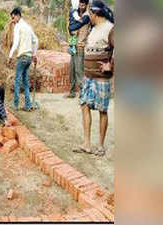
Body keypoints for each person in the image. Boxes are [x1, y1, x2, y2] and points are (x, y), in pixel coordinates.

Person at [75, 0, 114, 157]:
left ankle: (101, 146)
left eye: (89, 13)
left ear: (95, 13)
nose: (87, 16)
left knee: (102, 111)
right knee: (84, 105)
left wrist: (111, 66)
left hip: (101, 79)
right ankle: (87, 144)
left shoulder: (110, 28)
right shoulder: (94, 28)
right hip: (88, 77)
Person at [8, 8, 38, 111]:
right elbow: (36, 40)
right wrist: (34, 54)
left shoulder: (18, 26)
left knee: (17, 81)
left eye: (13, 17)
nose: (12, 20)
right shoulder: (28, 27)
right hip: (29, 57)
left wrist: (10, 56)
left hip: (22, 57)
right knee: (25, 82)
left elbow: (16, 43)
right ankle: (28, 105)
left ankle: (15, 105)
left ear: (17, 16)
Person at [66, 0, 91, 98]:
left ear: (86, 5)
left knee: (79, 71)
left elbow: (88, 31)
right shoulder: (75, 13)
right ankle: (71, 92)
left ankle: (82, 93)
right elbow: (71, 29)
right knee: (72, 70)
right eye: (80, 4)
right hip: (73, 45)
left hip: (80, 46)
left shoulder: (87, 16)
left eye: (83, 5)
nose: (81, 6)